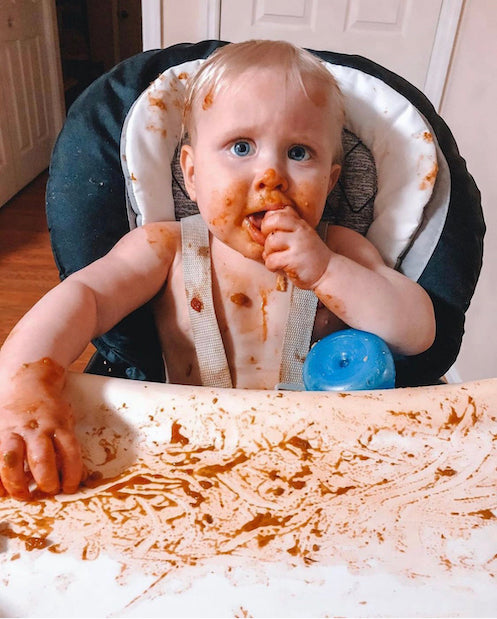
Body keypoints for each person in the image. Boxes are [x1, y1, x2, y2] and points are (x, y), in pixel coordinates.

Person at [0, 40, 435, 500]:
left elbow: (418, 331)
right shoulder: (165, 249)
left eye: (300, 153)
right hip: (183, 458)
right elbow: (84, 297)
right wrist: (25, 386)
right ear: (192, 173)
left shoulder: (340, 250)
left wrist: (327, 272)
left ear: (330, 181)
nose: (271, 174)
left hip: (317, 461)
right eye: (241, 146)